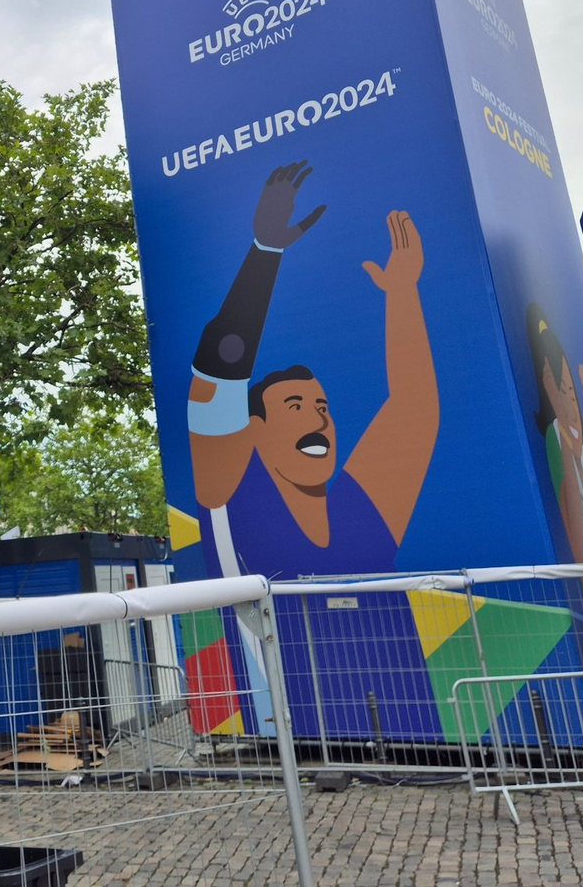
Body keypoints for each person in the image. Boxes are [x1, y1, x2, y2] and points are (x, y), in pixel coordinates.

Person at [188, 161, 439, 579]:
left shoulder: (360, 514)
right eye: (295, 406)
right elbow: (222, 359)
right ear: (251, 430)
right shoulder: (230, 493)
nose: (319, 416)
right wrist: (265, 252)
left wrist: (401, 292)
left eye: (322, 405)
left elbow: (415, 408)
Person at [527, 304, 583, 562]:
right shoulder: (557, 439)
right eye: (562, 392)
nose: (572, 406)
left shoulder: (577, 445)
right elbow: (572, 510)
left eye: (572, 394)